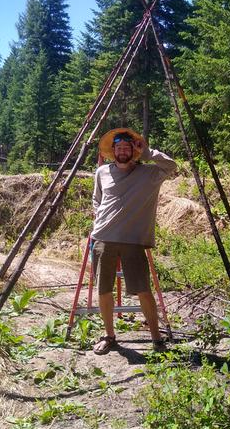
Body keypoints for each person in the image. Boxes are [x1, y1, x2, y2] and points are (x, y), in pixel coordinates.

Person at [91, 127, 177, 355]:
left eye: (127, 147)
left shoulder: (149, 174)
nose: (122, 151)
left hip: (133, 240)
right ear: (113, 150)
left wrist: (148, 152)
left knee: (143, 290)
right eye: (118, 148)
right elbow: (96, 200)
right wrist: (100, 218)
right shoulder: (102, 173)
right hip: (103, 238)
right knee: (103, 289)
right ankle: (109, 336)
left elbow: (171, 166)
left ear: (133, 150)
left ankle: (157, 339)